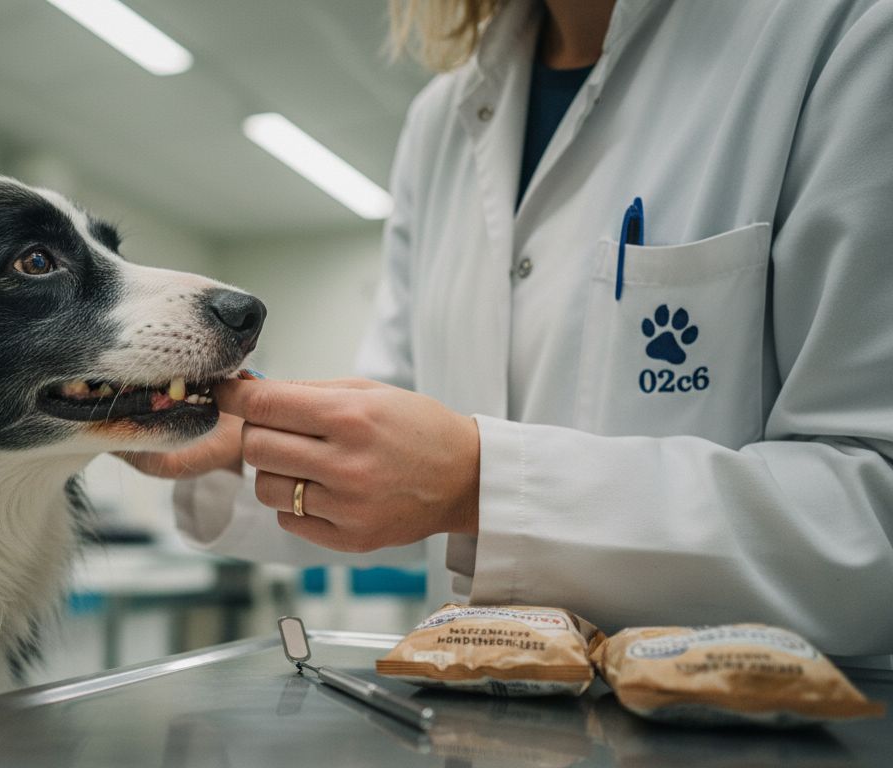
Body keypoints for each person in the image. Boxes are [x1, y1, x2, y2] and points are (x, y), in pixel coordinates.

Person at [122, 0, 893, 661]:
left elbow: (872, 517)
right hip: (473, 708)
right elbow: (397, 447)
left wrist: (480, 484)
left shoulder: (845, 33)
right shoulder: (441, 120)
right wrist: (233, 448)